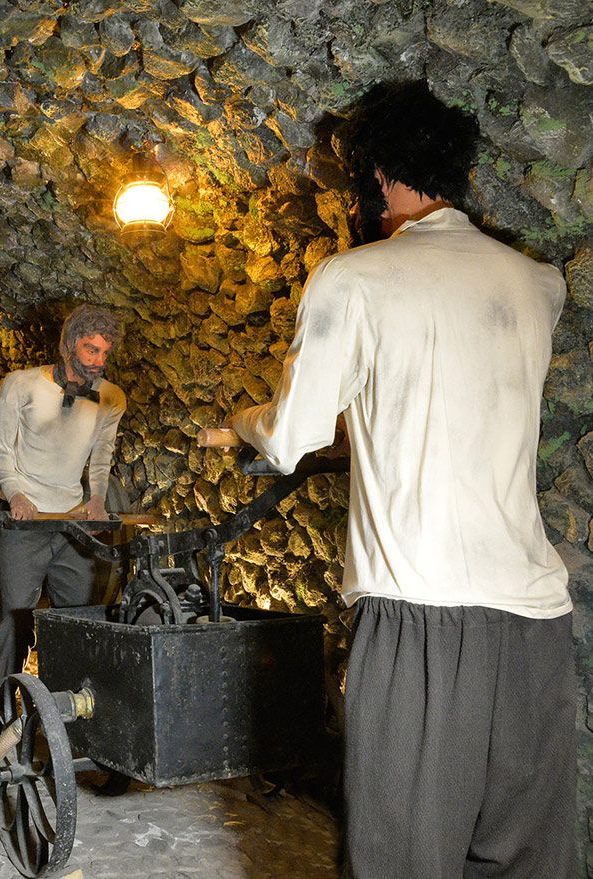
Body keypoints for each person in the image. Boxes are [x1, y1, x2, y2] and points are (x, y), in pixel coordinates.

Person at [228, 81, 575, 877]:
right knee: (531, 863)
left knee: (402, 863)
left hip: (422, 618)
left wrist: (241, 420)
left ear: (378, 175)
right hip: (534, 624)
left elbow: (290, 437)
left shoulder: (356, 279)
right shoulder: (537, 284)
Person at [0, 303, 126, 728]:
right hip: (24, 522)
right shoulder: (21, 384)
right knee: (15, 622)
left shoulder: (111, 397)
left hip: (71, 523)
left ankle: (72, 718)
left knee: (77, 620)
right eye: (89, 349)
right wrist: (15, 494)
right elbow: (3, 448)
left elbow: (102, 456)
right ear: (67, 346)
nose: (98, 360)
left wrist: (96, 498)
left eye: (104, 352)